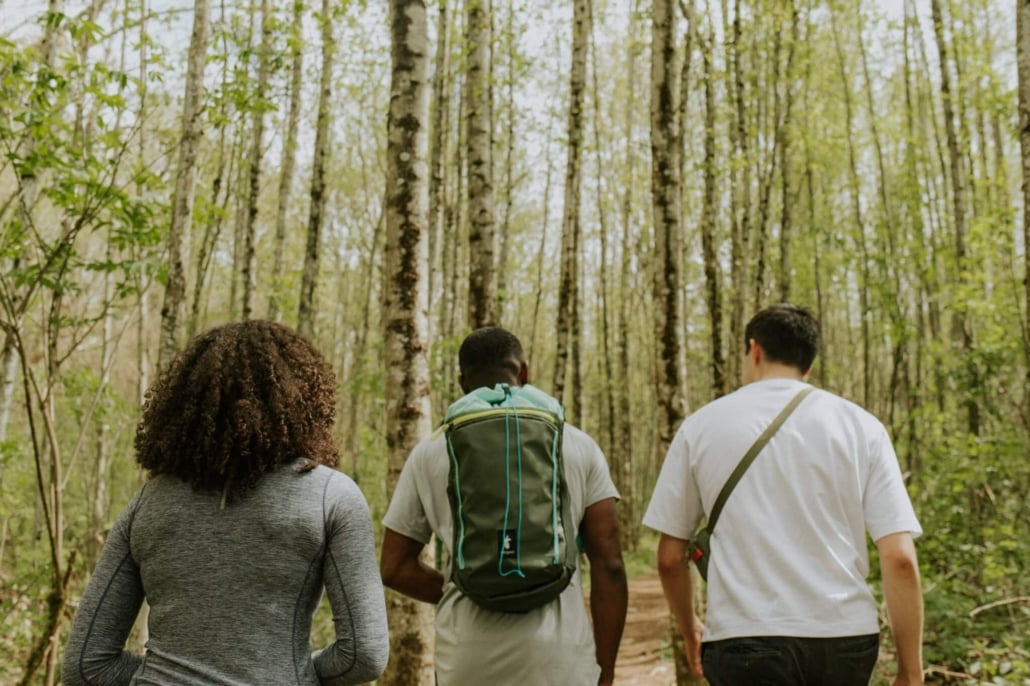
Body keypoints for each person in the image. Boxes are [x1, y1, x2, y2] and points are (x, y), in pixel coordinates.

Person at [62, 320, 389, 686]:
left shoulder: (149, 501)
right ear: (305, 401)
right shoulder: (332, 496)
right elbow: (364, 655)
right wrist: (287, 674)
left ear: (186, 406)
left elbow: (86, 664)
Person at [643, 303, 924, 686]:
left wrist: (690, 627)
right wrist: (910, 670)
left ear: (754, 350)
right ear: (809, 362)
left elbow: (669, 558)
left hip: (743, 638)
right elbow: (900, 559)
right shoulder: (861, 427)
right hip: (843, 638)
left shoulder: (700, 427)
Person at [380, 326, 628, 686]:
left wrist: (461, 585)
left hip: (466, 660)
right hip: (559, 661)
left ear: (462, 382)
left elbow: (394, 567)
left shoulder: (431, 451)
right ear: (523, 372)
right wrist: (606, 670)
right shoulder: (577, 444)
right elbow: (610, 565)